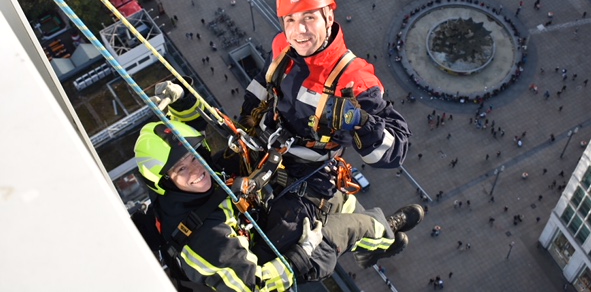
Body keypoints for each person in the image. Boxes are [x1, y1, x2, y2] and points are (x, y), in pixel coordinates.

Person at [240, 0, 412, 261]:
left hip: (309, 174)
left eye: (309, 18)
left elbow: (396, 152)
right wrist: (244, 123)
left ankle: (372, 232)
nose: (298, 31)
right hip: (266, 152)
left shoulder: (355, 80)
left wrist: (361, 122)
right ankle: (365, 225)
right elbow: (263, 82)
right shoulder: (283, 47)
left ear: (328, 17)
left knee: (280, 250)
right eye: (290, 20)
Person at [134, 121, 423, 290]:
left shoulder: (190, 188)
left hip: (253, 236)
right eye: (181, 170)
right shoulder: (206, 240)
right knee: (345, 228)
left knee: (334, 199)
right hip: (270, 270)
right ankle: (383, 234)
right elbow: (256, 287)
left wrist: (183, 105)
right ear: (165, 181)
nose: (196, 170)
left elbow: (207, 138)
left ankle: (373, 248)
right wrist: (303, 253)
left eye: (194, 157)